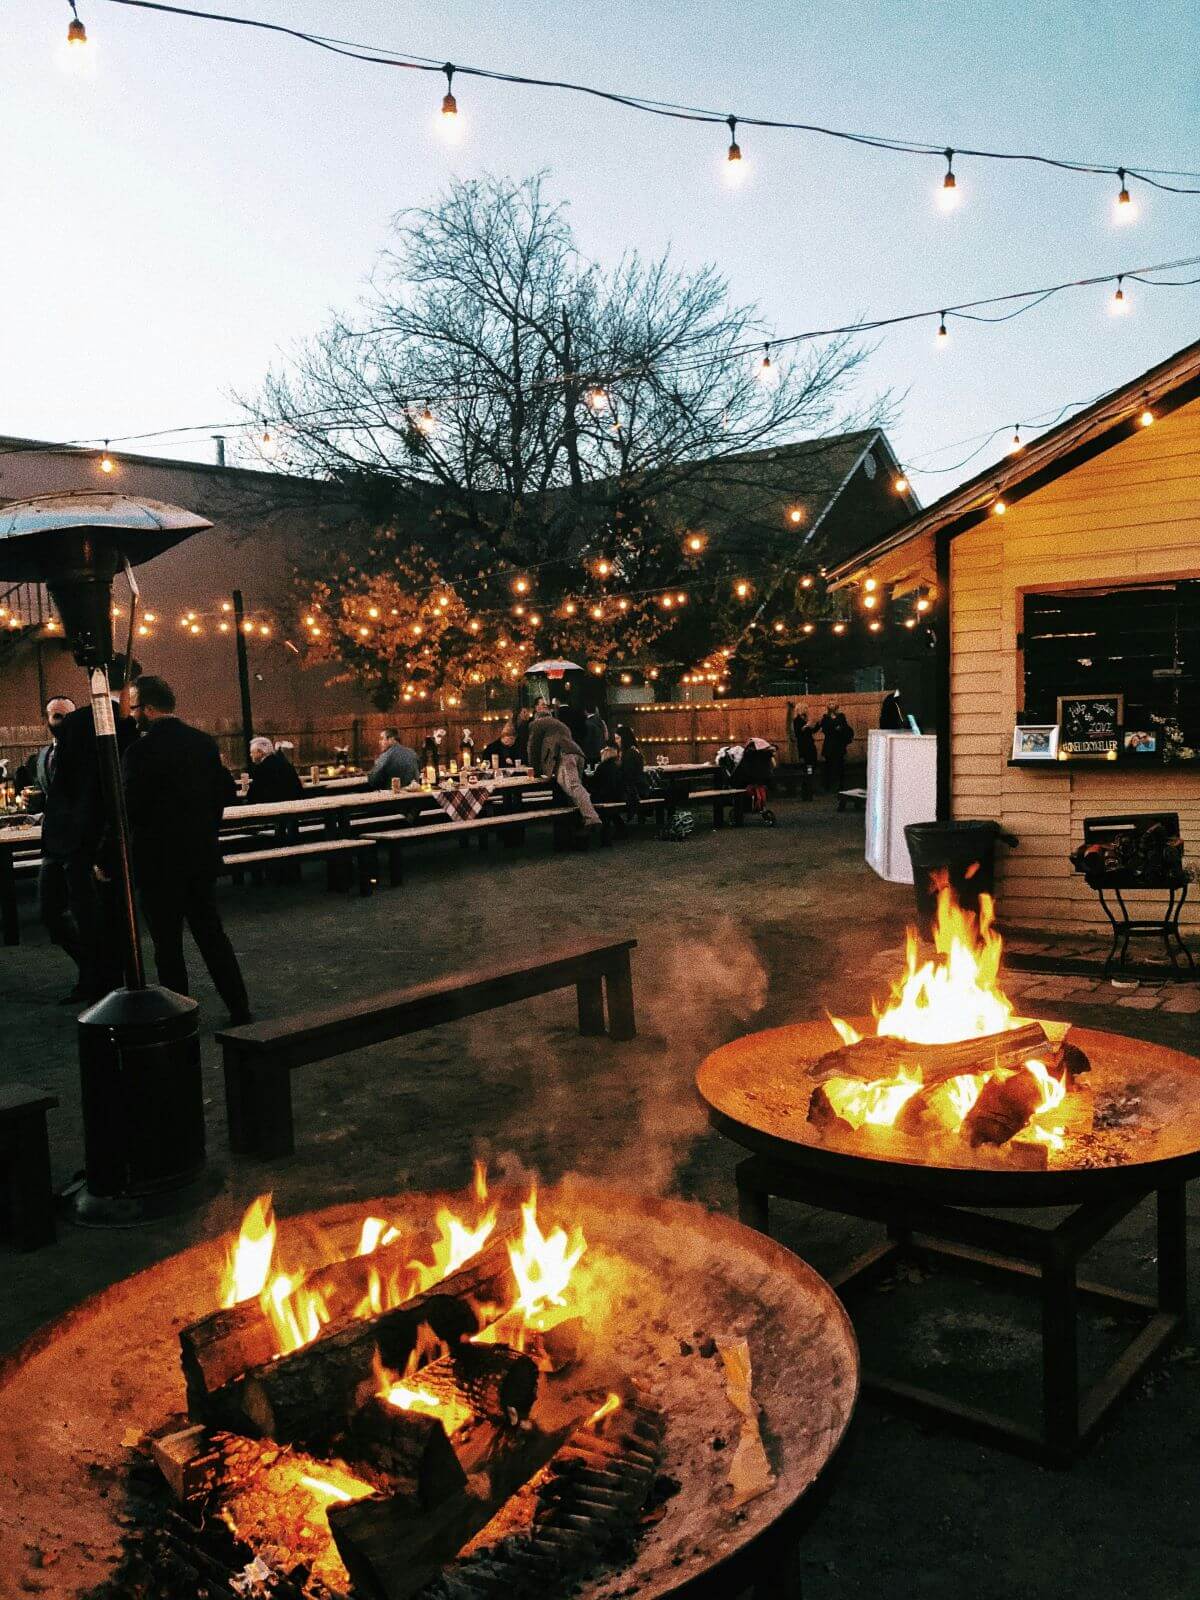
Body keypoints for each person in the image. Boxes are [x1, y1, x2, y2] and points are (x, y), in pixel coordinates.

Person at [122, 675, 251, 1022]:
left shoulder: (139, 752)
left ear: (148, 708)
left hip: (157, 861)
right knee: (212, 936)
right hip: (199, 855)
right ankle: (239, 1005)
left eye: (134, 708)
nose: (132, 715)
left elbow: (131, 809)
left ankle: (179, 1013)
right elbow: (223, 793)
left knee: (167, 946)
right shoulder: (203, 743)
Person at [44, 665, 139, 1001]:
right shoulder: (126, 727)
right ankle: (107, 976)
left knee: (84, 913)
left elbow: (74, 787)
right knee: (104, 915)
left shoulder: (81, 725)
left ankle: (97, 976)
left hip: (75, 839)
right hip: (95, 839)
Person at [527, 707, 601, 828]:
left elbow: (532, 747)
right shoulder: (560, 724)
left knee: (574, 787)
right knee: (572, 791)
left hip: (564, 756)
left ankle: (592, 818)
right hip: (578, 754)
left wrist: (534, 768)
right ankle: (578, 829)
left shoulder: (536, 724)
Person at [246, 735, 304, 803]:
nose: (250, 755)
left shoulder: (262, 769)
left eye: (252, 752)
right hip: (294, 804)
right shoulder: (284, 762)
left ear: (260, 752)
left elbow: (252, 795)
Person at [614, 724, 647, 821]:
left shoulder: (630, 753)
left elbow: (628, 775)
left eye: (618, 738)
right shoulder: (631, 751)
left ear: (624, 738)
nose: (616, 741)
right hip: (637, 787)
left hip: (634, 789)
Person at [819, 705, 854, 793]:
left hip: (838, 745)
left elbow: (845, 727)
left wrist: (840, 729)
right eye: (830, 704)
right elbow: (824, 729)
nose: (832, 706)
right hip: (829, 745)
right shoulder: (825, 717)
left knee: (840, 766)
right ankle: (828, 786)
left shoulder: (841, 716)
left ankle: (840, 786)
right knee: (828, 766)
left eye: (833, 704)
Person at [791, 705, 819, 801]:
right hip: (804, 749)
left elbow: (812, 731)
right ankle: (806, 793)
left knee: (811, 770)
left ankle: (809, 792)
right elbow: (798, 732)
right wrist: (807, 725)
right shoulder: (797, 720)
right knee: (807, 770)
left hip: (811, 747)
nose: (807, 710)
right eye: (805, 708)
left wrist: (818, 725)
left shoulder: (806, 719)